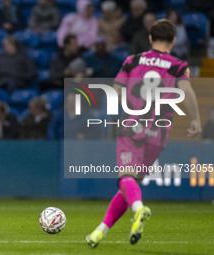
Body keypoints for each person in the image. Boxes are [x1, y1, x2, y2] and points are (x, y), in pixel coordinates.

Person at [86, 19, 201, 247]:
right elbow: (187, 91)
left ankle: (139, 209)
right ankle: (100, 231)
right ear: (173, 40)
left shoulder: (132, 61)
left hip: (132, 125)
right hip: (158, 132)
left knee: (126, 178)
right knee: (132, 185)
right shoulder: (179, 65)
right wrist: (196, 119)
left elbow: (116, 92)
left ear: (150, 39)